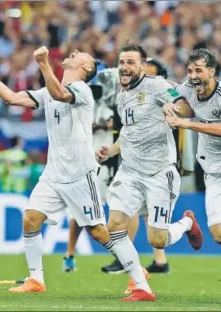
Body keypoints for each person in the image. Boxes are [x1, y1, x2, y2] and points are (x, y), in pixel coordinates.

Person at [0, 46, 156, 301]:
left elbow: (59, 93)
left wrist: (43, 63)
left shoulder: (82, 91)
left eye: (82, 54)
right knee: (30, 220)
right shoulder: (49, 91)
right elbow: (12, 99)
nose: (76, 51)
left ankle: (139, 278)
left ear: (86, 68)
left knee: (98, 232)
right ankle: (36, 279)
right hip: (53, 174)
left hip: (80, 175)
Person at [95, 44, 204, 298]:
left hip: (158, 172)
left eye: (131, 62)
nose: (124, 66)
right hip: (130, 172)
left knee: (158, 240)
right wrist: (111, 150)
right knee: (115, 226)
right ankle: (141, 286)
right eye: (122, 62)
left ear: (143, 67)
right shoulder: (122, 96)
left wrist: (173, 109)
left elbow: (186, 107)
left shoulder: (156, 85)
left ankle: (187, 222)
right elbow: (128, 132)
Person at [63, 58, 175, 275]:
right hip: (97, 155)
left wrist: (104, 125)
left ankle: (127, 258)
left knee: (130, 206)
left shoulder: (136, 94)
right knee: (84, 205)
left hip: (123, 156)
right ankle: (72, 255)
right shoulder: (96, 94)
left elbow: (134, 123)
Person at [164, 48, 221, 304]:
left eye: (199, 70)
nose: (193, 76)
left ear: (211, 72)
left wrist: (187, 123)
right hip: (215, 171)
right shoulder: (189, 87)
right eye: (190, 70)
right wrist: (169, 103)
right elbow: (172, 92)